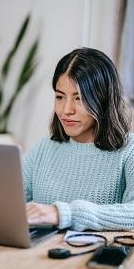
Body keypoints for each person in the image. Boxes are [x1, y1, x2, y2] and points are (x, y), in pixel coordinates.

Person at [22, 47, 134, 231]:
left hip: (95, 257)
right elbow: (9, 203)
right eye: (59, 96)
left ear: (103, 100)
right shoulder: (43, 148)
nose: (66, 110)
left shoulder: (129, 150)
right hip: (38, 255)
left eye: (79, 98)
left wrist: (62, 213)